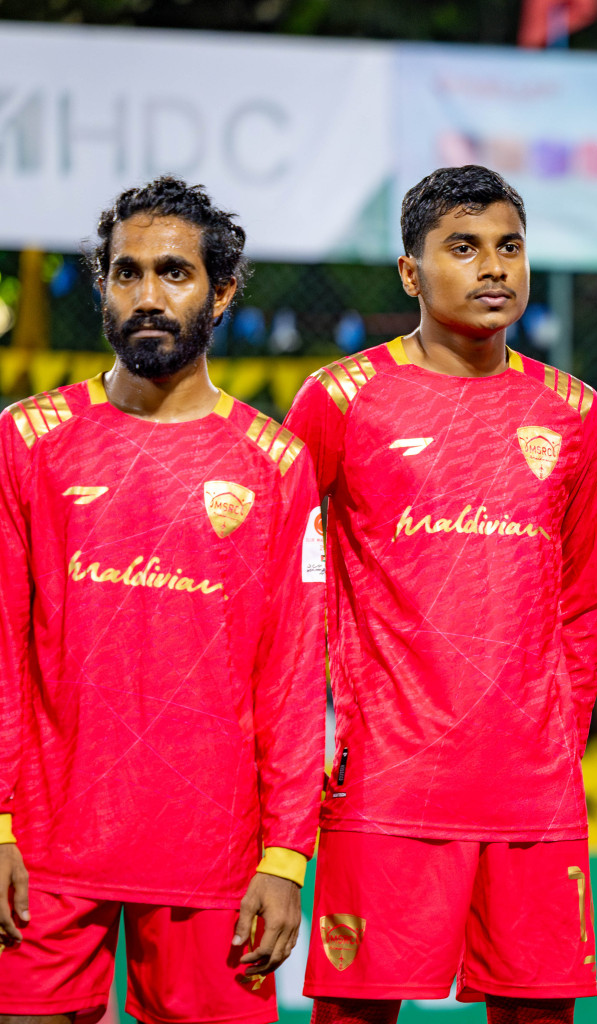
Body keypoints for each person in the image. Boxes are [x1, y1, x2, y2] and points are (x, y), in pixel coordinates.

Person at [285, 165, 597, 1024]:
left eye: (509, 247)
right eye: (463, 248)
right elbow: (284, 573)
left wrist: (556, 735)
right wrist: (323, 721)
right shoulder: (340, 400)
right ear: (410, 271)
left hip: (533, 790)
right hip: (385, 782)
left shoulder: (575, 411)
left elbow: (583, 598)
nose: (493, 267)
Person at [0, 177, 323, 1024]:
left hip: (212, 850)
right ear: (103, 286)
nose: (148, 296)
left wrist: (286, 858)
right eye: (126, 273)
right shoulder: (28, 441)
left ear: (221, 291)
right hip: (43, 841)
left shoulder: (278, 465)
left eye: (174, 273)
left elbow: (293, 677)